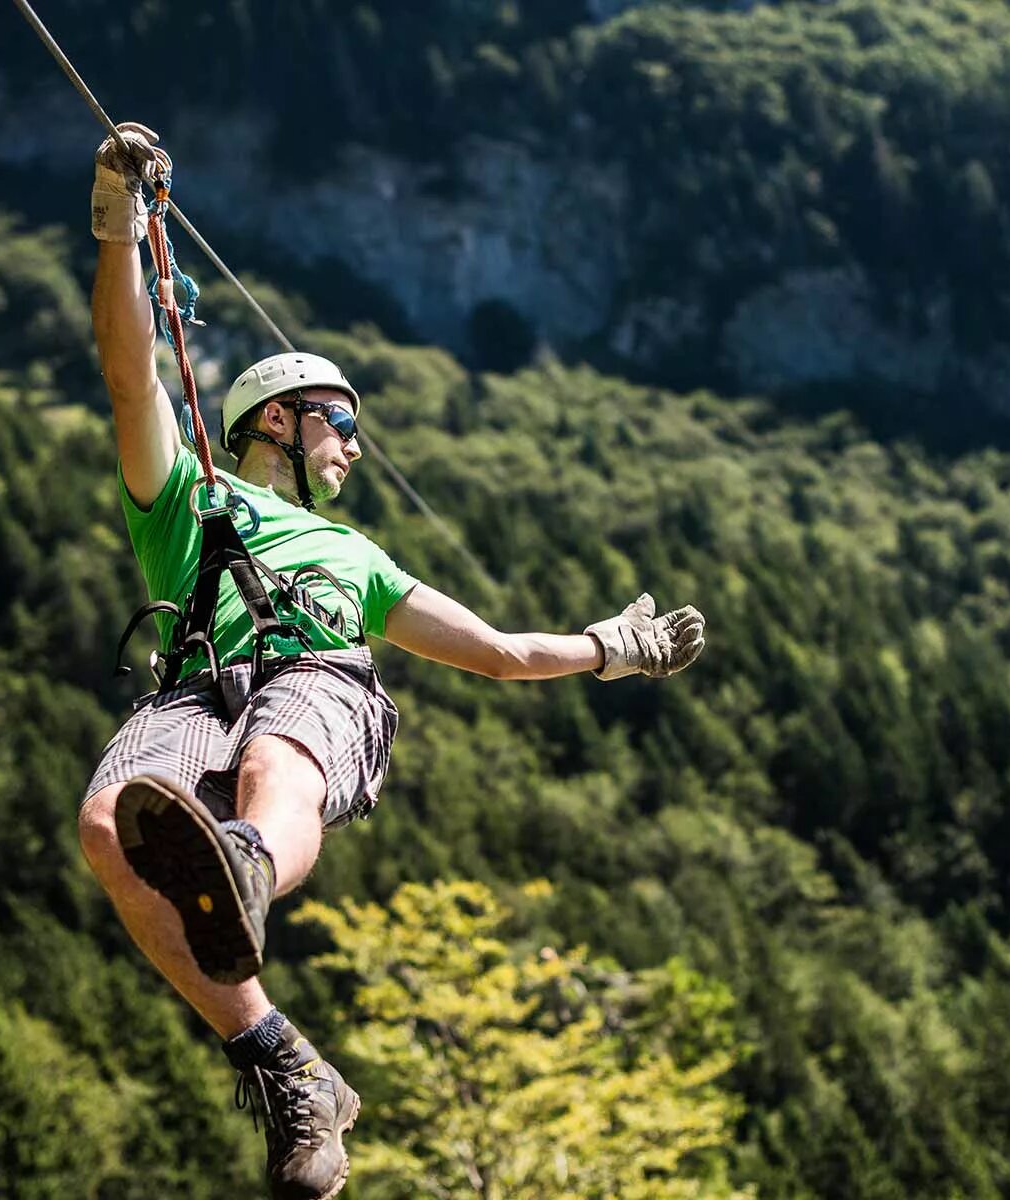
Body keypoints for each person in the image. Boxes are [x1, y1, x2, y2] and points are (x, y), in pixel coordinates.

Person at [74, 123, 707, 1200]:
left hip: (320, 684)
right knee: (108, 827)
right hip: (193, 683)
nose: (354, 448)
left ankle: (246, 868)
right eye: (340, 425)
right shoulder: (188, 499)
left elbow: (502, 653)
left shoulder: (358, 556)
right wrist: (118, 224)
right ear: (277, 418)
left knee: (278, 757)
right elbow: (134, 378)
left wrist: (615, 647)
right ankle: (282, 1062)